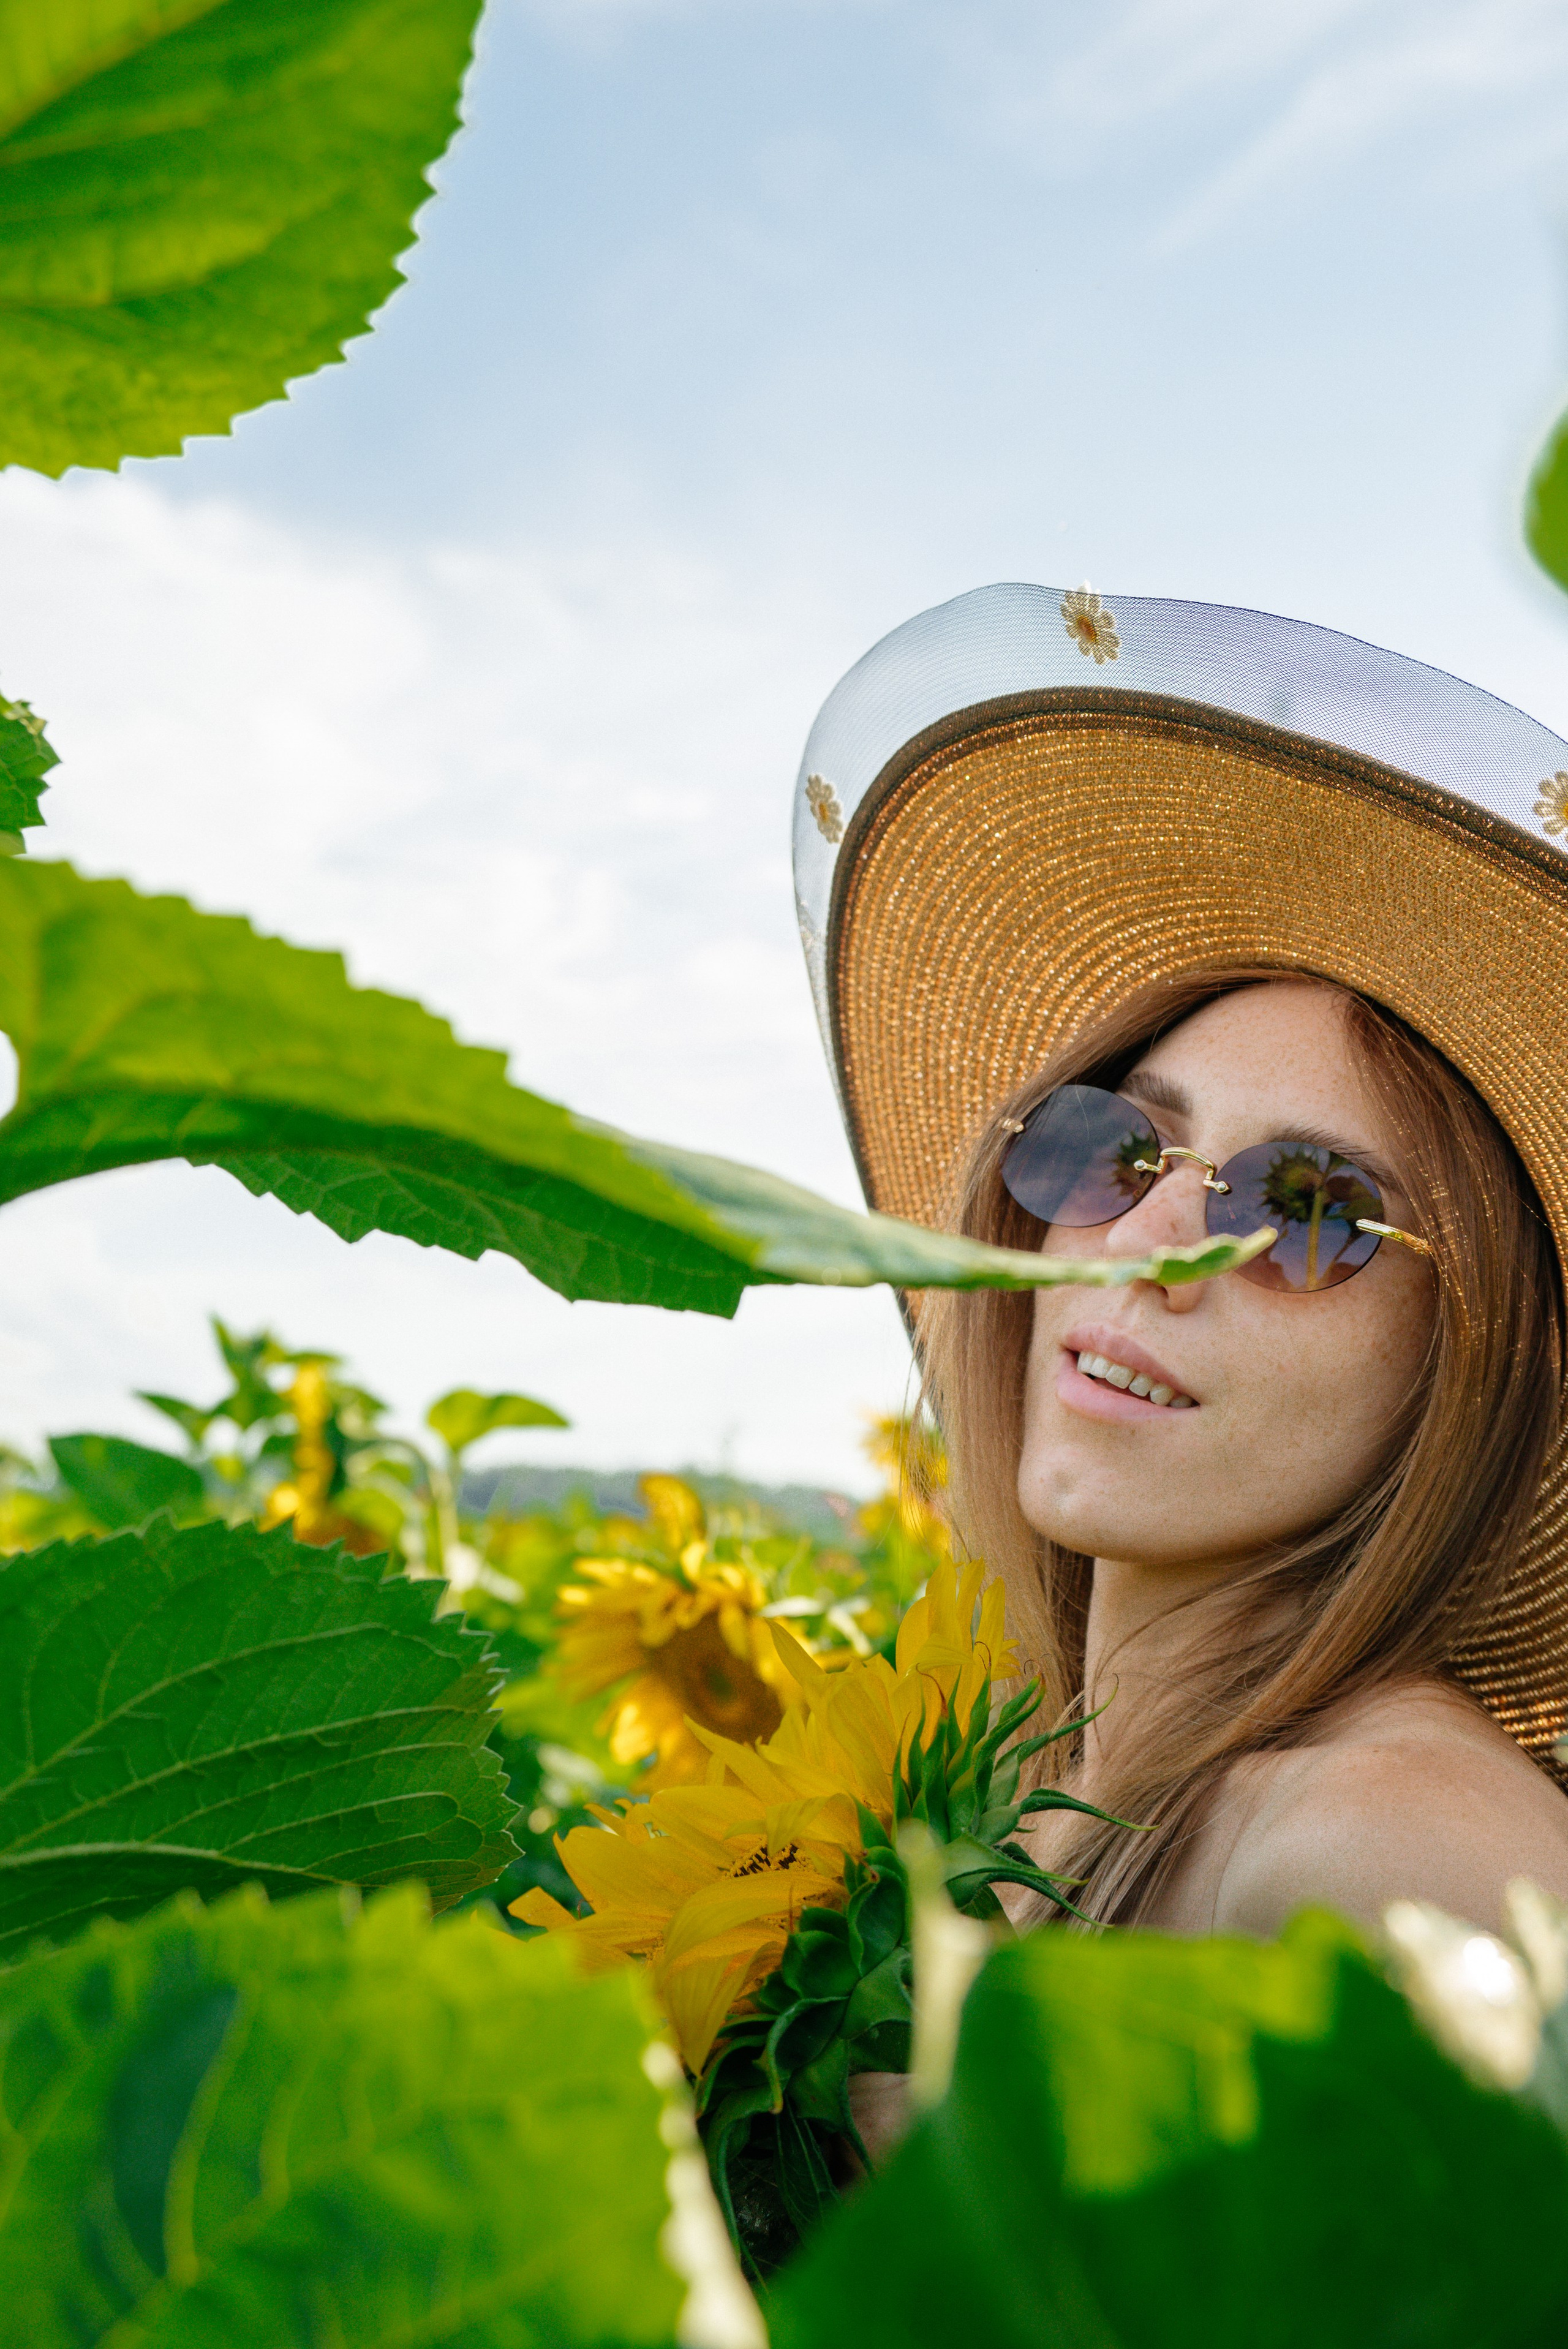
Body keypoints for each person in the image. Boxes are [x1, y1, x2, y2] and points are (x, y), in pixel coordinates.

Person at [792, 581, 1568, 1948]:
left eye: (1309, 1209)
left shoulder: (1392, 1858)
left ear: (1473, 1360)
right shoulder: (1022, 1790)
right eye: (1117, 1145)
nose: (1152, 1242)